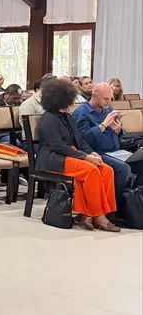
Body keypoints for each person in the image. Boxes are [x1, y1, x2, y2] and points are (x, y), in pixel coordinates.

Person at [37, 79, 119, 232]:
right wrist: (85, 157)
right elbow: (58, 146)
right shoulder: (48, 118)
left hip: (70, 154)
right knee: (90, 170)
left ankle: (102, 212)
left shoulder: (68, 117)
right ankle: (98, 215)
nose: (73, 103)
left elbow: (79, 140)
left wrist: (91, 153)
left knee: (107, 170)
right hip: (53, 157)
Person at [74, 82, 143, 194]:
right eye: (106, 99)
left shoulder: (108, 109)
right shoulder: (82, 112)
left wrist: (118, 130)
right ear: (94, 95)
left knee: (141, 163)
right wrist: (102, 125)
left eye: (110, 98)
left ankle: (132, 197)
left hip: (116, 151)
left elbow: (120, 133)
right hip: (97, 153)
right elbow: (83, 141)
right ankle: (116, 202)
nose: (109, 102)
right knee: (123, 169)